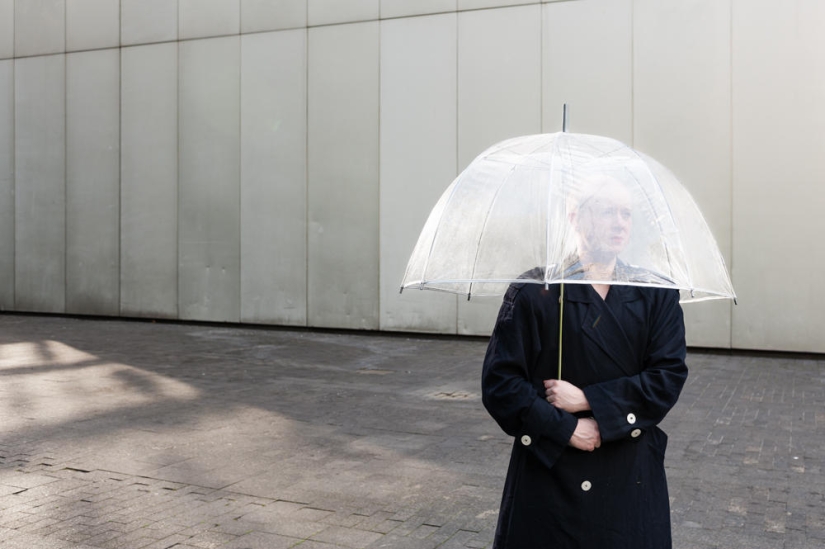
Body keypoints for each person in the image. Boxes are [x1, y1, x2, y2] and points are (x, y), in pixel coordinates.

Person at [481, 174, 688, 549]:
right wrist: (564, 429)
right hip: (550, 477)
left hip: (628, 477)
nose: (620, 222)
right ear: (575, 216)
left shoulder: (656, 293)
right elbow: (501, 386)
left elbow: (667, 377)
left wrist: (590, 400)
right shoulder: (534, 291)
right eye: (607, 211)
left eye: (626, 213)